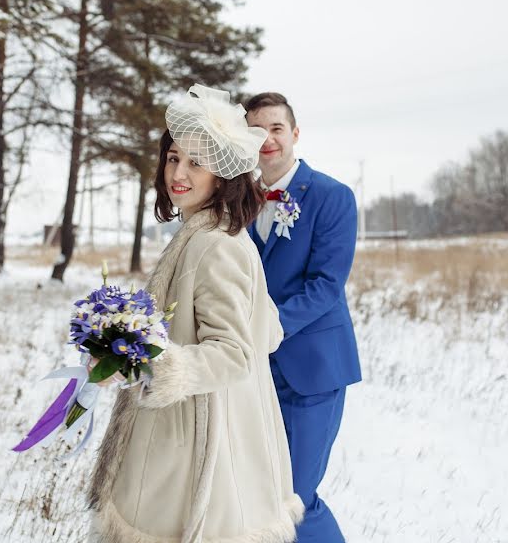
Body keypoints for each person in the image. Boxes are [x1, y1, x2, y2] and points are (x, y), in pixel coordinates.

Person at [87, 84, 304, 543]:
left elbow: (234, 352)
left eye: (196, 162)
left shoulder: (214, 245)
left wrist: (152, 362)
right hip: (198, 423)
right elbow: (265, 327)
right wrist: (124, 347)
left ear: (222, 175)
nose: (178, 173)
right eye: (172, 158)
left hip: (199, 438)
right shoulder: (209, 232)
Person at [245, 92, 361, 543]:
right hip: (253, 372)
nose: (267, 139)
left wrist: (266, 327)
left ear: (294, 134)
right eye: (256, 131)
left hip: (312, 368)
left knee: (295, 496)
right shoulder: (240, 201)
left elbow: (326, 286)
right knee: (260, 492)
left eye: (276, 128)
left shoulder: (332, 196)